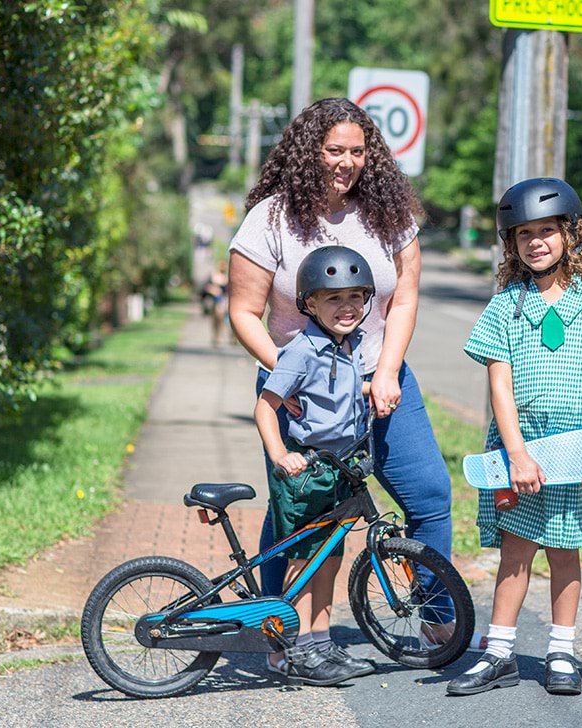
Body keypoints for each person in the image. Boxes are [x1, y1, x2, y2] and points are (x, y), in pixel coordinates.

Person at [228, 97, 477, 659]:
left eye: (357, 151)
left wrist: (387, 369)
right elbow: (243, 311)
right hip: (301, 388)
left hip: (382, 382)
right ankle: (282, 632)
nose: (346, 162)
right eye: (334, 150)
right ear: (308, 151)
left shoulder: (388, 213)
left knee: (431, 495)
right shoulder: (272, 218)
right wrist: (287, 376)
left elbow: (407, 294)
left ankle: (435, 617)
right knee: (299, 512)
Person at [448, 178, 582, 697]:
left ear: (570, 234)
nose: (535, 242)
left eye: (546, 231)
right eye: (523, 233)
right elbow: (499, 385)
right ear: (511, 243)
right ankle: (499, 653)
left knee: (565, 552)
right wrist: (517, 455)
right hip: (523, 451)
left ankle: (561, 651)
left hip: (578, 452)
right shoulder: (504, 306)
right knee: (516, 552)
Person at [253, 245, 377, 686]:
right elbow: (265, 407)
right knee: (303, 560)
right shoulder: (301, 351)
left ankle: (321, 643)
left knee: (329, 557)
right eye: (333, 298)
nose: (347, 307)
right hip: (305, 472)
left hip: (340, 469)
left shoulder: (351, 345)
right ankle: (297, 646)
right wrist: (279, 455)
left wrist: (366, 393)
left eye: (355, 297)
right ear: (309, 303)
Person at [203, 258, 230, 346]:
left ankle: (223, 336)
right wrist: (213, 289)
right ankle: (215, 335)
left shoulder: (228, 277)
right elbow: (204, 287)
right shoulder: (213, 276)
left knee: (223, 317)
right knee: (215, 320)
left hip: (224, 301)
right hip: (214, 300)